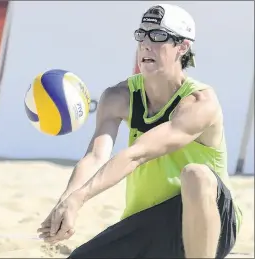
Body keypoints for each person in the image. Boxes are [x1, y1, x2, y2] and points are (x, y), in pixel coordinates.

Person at [37, 4, 243, 259]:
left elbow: (137, 154)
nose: (146, 44)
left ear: (183, 47)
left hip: (213, 222)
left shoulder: (201, 102)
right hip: (149, 221)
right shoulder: (118, 97)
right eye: (142, 35)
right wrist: (66, 201)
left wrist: (81, 198)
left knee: (196, 175)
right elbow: (95, 157)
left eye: (158, 36)